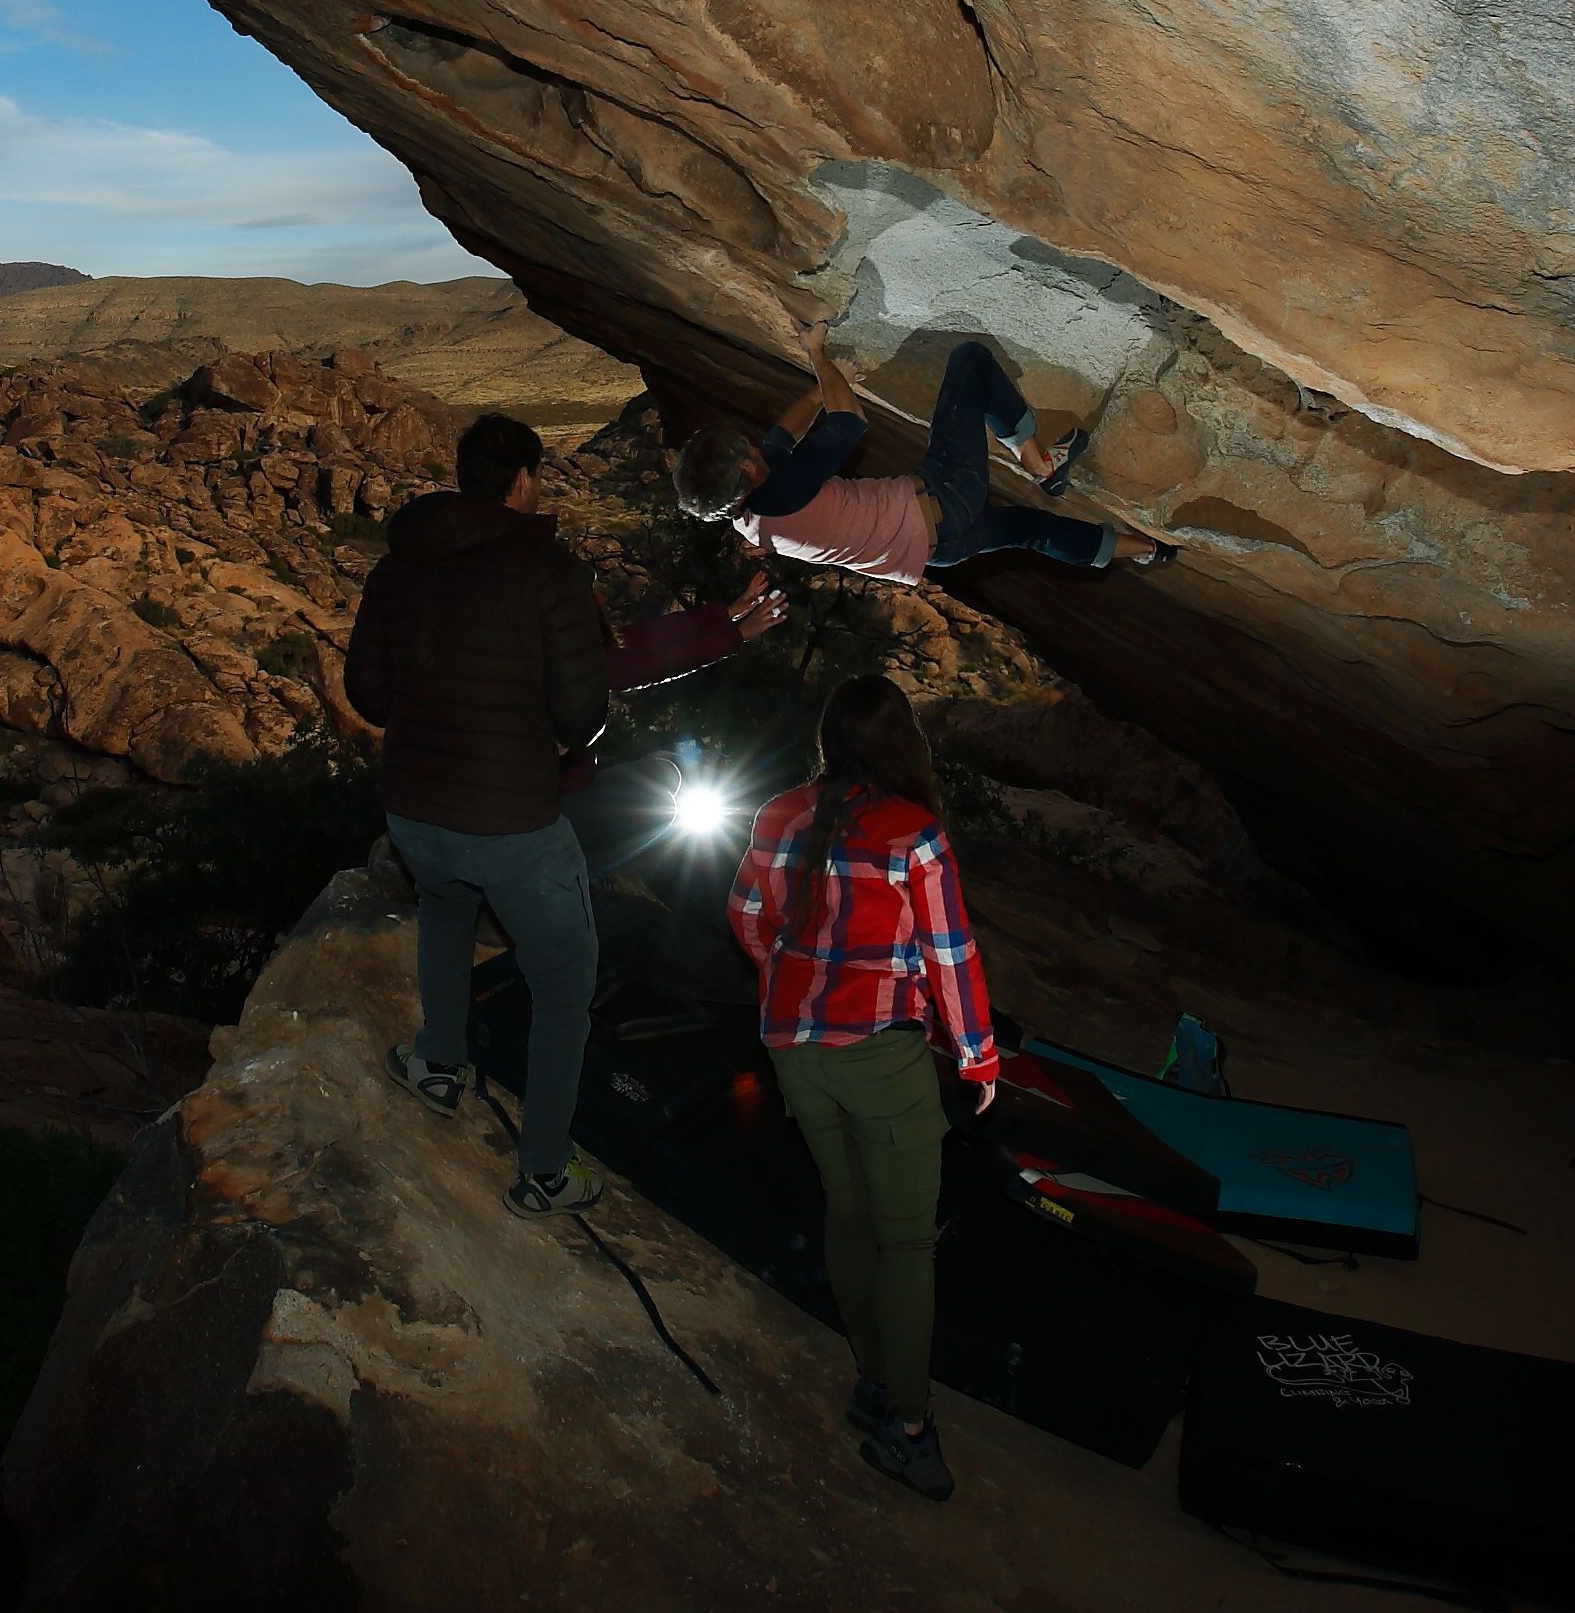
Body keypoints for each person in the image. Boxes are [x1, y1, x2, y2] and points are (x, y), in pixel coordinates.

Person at [727, 673, 998, 1502]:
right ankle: (908, 1429)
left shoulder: (780, 811)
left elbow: (744, 911)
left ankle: (874, 1378)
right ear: (900, 744)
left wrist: (791, 972)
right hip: (879, 1056)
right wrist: (978, 1058)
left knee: (848, 1212)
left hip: (793, 1047)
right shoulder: (915, 836)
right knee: (908, 1240)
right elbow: (951, 956)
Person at [343, 412, 615, 1218]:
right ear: (523, 480)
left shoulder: (399, 566)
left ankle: (437, 1064)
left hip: (417, 810)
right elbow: (582, 716)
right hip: (514, 822)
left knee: (444, 908)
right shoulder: (547, 566)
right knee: (565, 980)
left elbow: (366, 694)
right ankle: (546, 1169)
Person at [672, 321, 1174, 586]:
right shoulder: (783, 491)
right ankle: (1039, 462)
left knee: (1031, 531)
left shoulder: (751, 511)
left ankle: (1149, 550)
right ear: (744, 466)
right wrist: (821, 358)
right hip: (944, 497)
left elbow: (783, 436)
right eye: (746, 446)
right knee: (969, 362)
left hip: (936, 550)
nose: (755, 442)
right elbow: (849, 423)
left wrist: (824, 377)